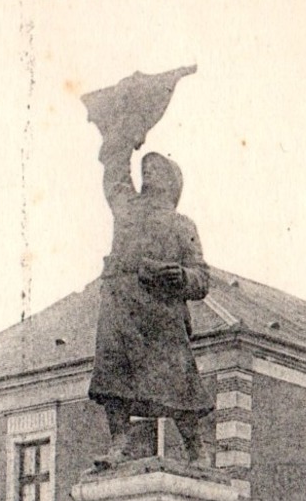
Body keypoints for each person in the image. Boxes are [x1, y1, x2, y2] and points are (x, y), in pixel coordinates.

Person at [83, 68, 212, 466]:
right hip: (122, 303)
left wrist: (182, 278)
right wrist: (125, 131)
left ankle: (196, 449)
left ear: (172, 183)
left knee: (178, 380)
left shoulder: (181, 225)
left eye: (156, 169)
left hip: (160, 310)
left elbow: (202, 277)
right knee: (113, 376)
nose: (147, 172)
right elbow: (114, 171)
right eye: (146, 168)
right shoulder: (125, 206)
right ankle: (119, 441)